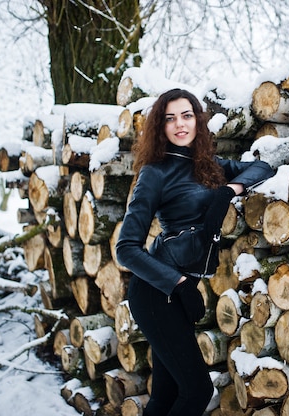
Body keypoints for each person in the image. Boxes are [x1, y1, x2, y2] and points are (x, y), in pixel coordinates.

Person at [116, 88, 273, 415]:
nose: (180, 124)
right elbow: (126, 249)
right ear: (160, 127)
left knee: (165, 393)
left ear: (198, 121)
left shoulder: (208, 165)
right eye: (170, 118)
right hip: (156, 293)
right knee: (197, 391)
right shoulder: (154, 173)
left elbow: (263, 168)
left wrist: (228, 190)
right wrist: (179, 284)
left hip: (177, 293)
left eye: (187, 115)